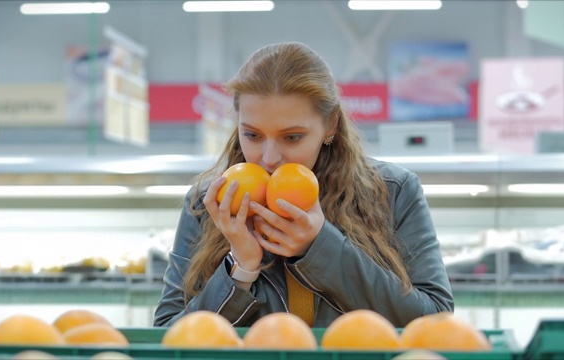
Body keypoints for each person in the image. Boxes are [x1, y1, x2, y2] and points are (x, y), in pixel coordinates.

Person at [154, 42, 453, 328]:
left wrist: (320, 246)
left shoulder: (395, 191)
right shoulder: (209, 203)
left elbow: (435, 320)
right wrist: (240, 267)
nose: (269, 159)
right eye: (253, 136)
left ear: (331, 125)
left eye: (292, 137)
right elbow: (169, 333)